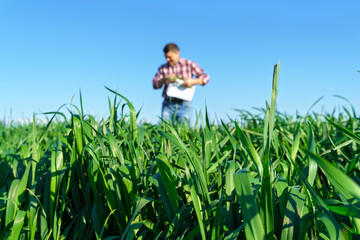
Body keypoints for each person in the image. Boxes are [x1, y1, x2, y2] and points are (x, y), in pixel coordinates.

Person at [152, 43, 210, 123]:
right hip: (168, 104)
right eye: (166, 57)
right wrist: (165, 78)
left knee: (184, 131)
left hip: (185, 104)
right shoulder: (163, 68)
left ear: (177, 53)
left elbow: (206, 77)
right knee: (164, 129)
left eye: (169, 57)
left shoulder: (189, 64)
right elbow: (155, 84)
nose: (167, 60)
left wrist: (193, 81)